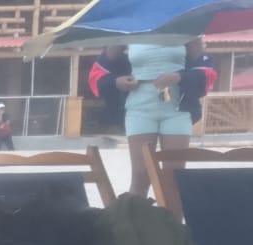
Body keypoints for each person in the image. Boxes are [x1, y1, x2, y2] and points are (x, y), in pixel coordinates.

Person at [89, 41, 214, 199]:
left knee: (175, 177)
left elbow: (205, 71)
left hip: (177, 108)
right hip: (139, 106)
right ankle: (136, 215)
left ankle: (172, 216)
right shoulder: (130, 31)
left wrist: (180, 76)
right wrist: (115, 81)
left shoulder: (187, 31)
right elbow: (99, 70)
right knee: (140, 176)